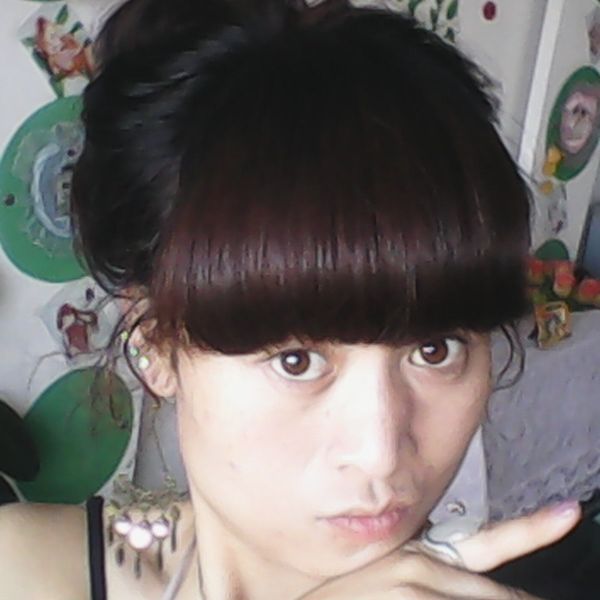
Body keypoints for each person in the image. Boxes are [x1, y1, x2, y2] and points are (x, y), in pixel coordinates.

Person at [0, 1, 582, 599]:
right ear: (156, 345)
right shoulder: (23, 570)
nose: (381, 454)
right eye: (296, 361)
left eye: (436, 350)